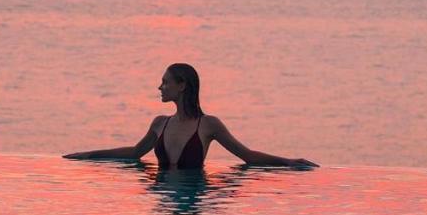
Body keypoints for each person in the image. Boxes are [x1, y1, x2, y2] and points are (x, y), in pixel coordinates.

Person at [64, 63, 318, 169]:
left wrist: (290, 162)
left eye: (165, 82)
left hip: (194, 199)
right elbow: (133, 153)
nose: (160, 87)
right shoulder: (160, 123)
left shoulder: (208, 125)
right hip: (161, 202)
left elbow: (248, 157)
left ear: (182, 85)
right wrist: (89, 155)